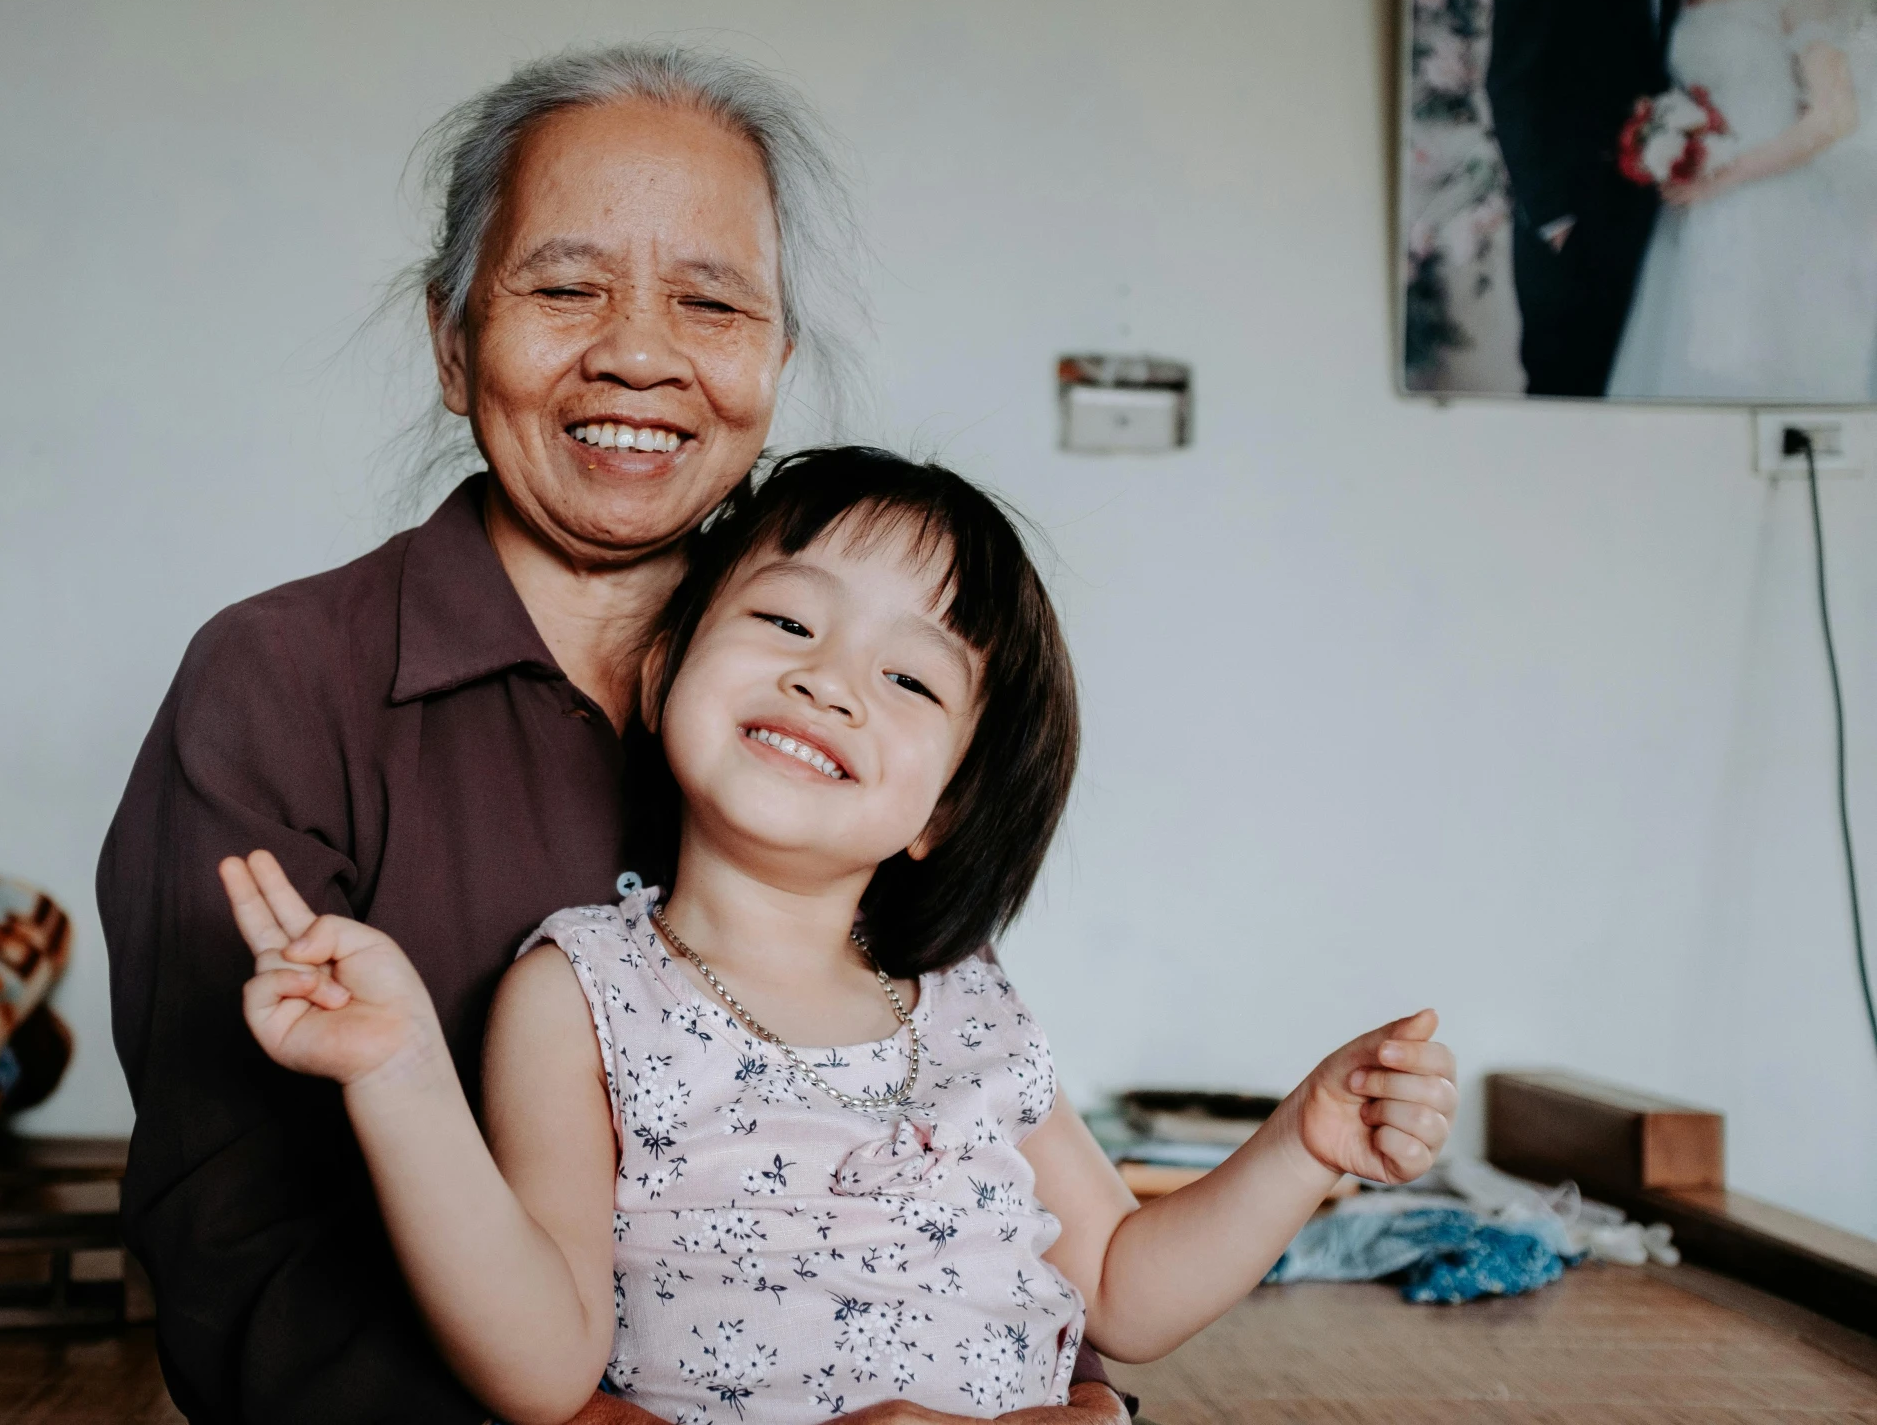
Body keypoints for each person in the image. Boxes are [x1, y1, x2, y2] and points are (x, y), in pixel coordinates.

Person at [97, 48, 1134, 1423]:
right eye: (565, 286)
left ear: (771, 360)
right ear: (454, 337)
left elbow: (951, 1179)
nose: (639, 353)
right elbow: (243, 1262)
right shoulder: (282, 679)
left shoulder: (831, 711)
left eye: (710, 301)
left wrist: (1076, 1406)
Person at [223, 448, 1463, 1425]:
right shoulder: (583, 987)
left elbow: (1128, 1293)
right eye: (786, 623)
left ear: (947, 810)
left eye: (911, 680)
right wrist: (397, 1079)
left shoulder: (969, 1002)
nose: (831, 682)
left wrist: (1302, 1144)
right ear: (661, 679)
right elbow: (544, 1368)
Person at [1608, 0, 1877, 401]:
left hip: (1775, 212)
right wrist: (1668, 144)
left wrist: (1724, 178)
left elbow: (1834, 115)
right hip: (1693, 221)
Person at [1486, 0, 1684, 397]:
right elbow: (1513, 79)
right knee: (1566, 408)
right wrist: (1554, 219)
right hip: (1571, 234)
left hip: (1650, 228)